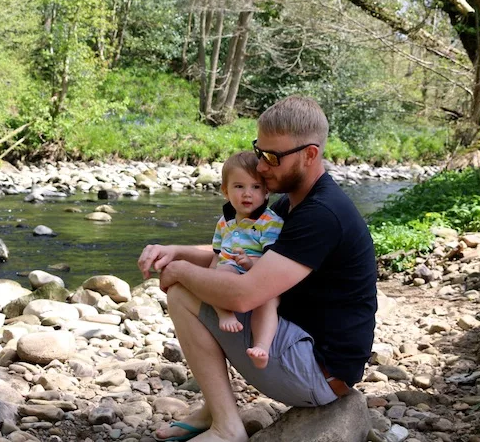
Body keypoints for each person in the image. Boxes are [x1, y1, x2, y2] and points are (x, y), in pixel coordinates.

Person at [138, 96, 377, 442]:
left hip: (316, 372)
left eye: (272, 157)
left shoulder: (322, 214)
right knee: (199, 282)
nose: (261, 167)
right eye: (259, 151)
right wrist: (176, 251)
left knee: (181, 291)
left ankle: (227, 427)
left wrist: (179, 270)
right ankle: (215, 408)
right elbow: (234, 253)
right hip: (305, 349)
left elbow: (244, 294)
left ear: (310, 155)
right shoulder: (290, 203)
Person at [208, 151, 284, 370]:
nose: (247, 194)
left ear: (267, 192)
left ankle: (262, 346)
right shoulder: (225, 222)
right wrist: (210, 277)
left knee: (268, 302)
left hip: (262, 275)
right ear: (225, 191)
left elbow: (274, 262)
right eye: (239, 187)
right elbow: (216, 255)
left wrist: (251, 265)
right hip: (231, 269)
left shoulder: (269, 222)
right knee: (217, 276)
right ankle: (225, 314)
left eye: (256, 187)